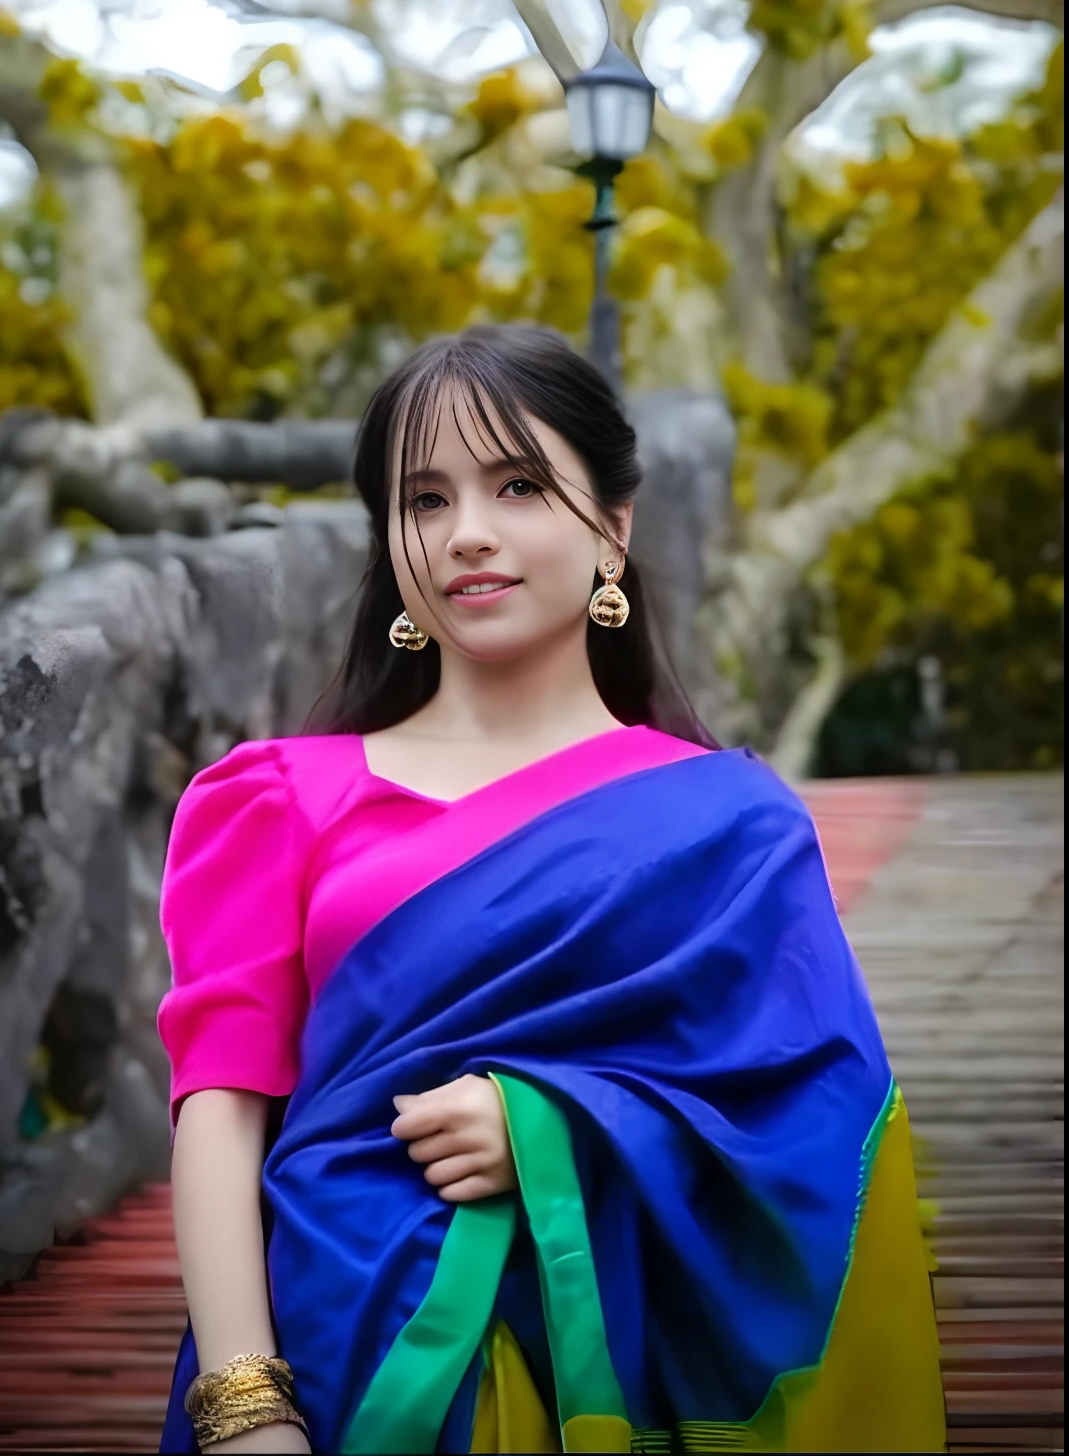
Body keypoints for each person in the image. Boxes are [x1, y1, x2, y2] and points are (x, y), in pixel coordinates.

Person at [158, 325, 945, 1456]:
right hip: (329, 1359)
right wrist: (245, 1403)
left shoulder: (727, 823)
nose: (467, 532)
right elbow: (219, 1114)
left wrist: (553, 1125)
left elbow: (815, 1125)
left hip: (612, 1369)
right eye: (423, 498)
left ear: (612, 527)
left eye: (518, 484)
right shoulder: (276, 798)